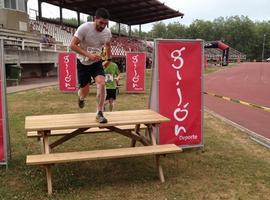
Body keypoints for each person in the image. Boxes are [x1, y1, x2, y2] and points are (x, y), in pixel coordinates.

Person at [69, 8, 112, 123]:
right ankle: (81, 98)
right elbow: (72, 45)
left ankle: (100, 112)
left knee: (101, 83)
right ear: (95, 19)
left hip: (96, 62)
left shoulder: (107, 32)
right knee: (85, 91)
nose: (103, 26)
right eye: (101, 23)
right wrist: (88, 54)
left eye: (105, 23)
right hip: (82, 63)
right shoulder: (84, 28)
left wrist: (109, 58)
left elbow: (108, 45)